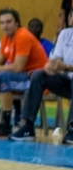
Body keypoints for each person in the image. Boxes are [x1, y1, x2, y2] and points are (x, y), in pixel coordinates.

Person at [0, 8, 49, 137]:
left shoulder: (22, 36)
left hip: (36, 79)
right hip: (20, 77)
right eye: (2, 22)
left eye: (8, 22)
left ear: (17, 23)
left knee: (4, 76)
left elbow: (18, 67)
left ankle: (6, 124)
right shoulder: (6, 38)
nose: (5, 25)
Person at [9, 14, 73, 143]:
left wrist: (65, 66)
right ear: (70, 18)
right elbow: (55, 59)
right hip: (66, 82)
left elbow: (64, 66)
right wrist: (51, 66)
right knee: (39, 75)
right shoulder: (65, 34)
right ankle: (27, 127)